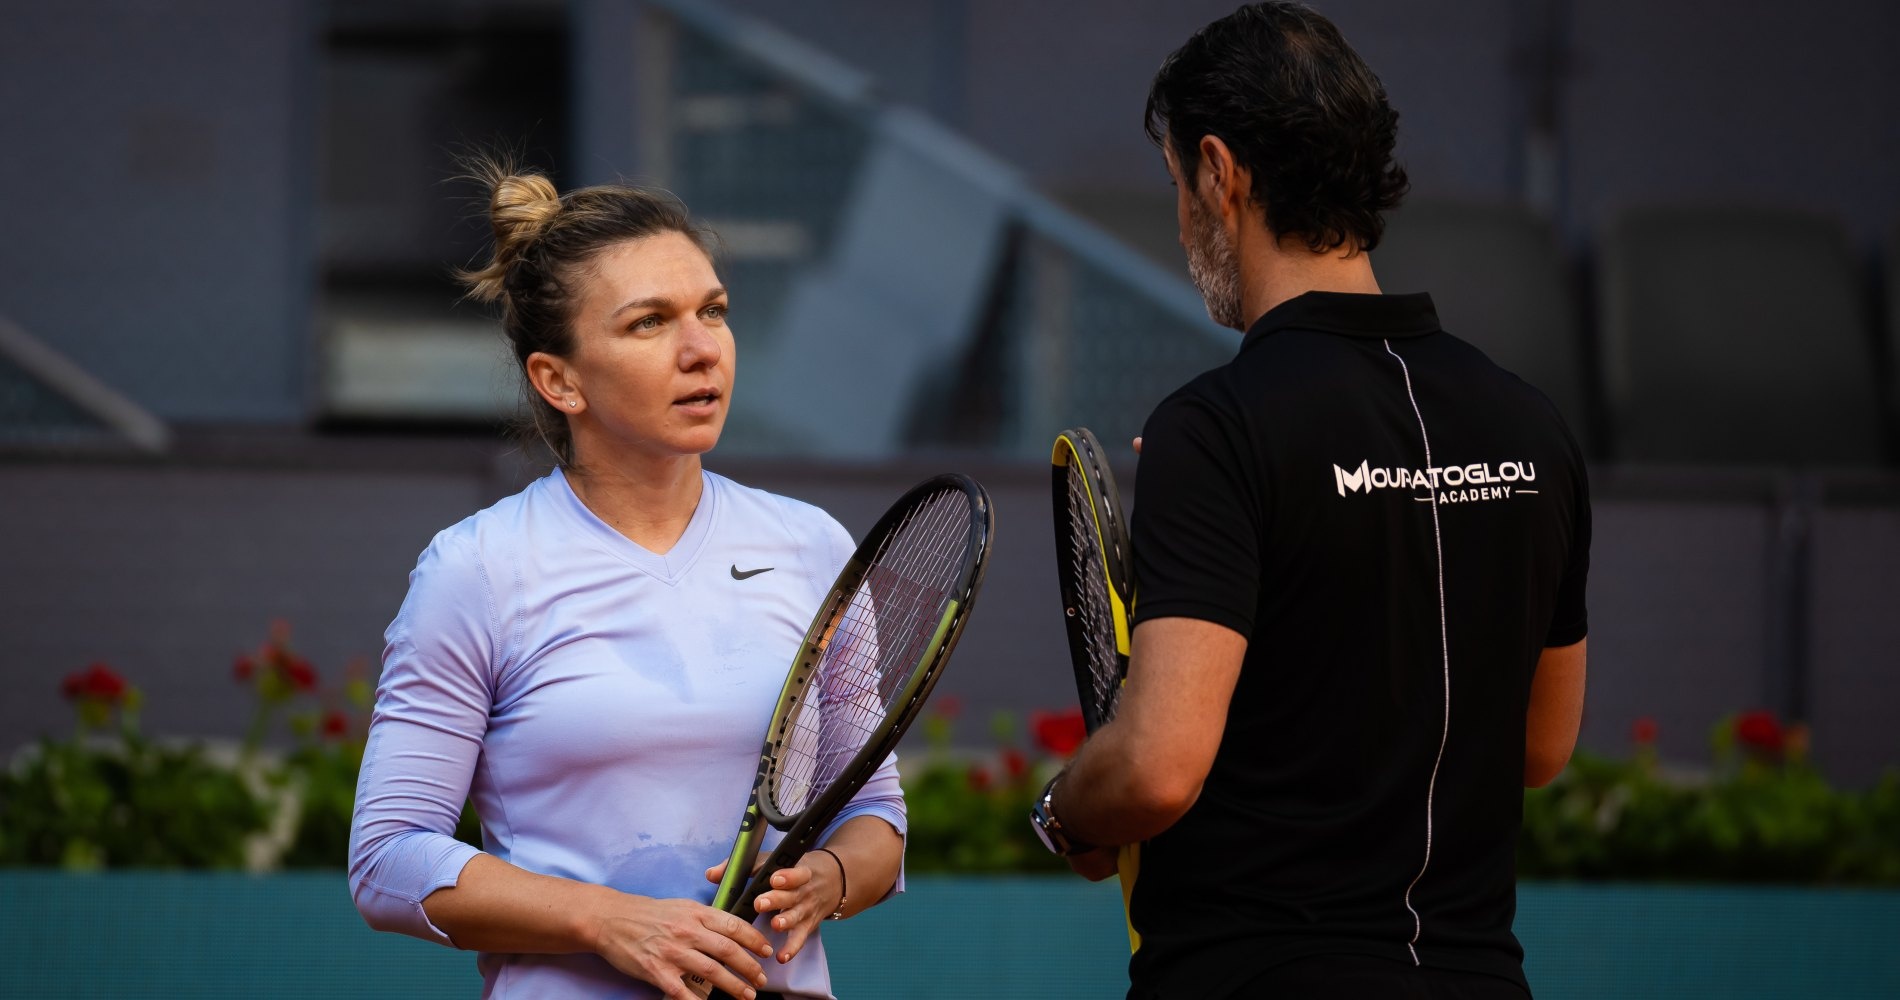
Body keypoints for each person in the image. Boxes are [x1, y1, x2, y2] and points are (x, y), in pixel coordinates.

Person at [1027, 4, 1589, 998]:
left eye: (1175, 187)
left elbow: (1155, 769)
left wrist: (1065, 811)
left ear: (1217, 170)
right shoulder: (1531, 426)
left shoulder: (1217, 428)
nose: (1182, 217)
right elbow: (1537, 748)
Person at [348, 161, 906, 1000]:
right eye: (649, 323)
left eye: (713, 312)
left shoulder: (812, 547)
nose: (700, 348)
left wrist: (827, 875)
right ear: (558, 379)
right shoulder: (476, 568)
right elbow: (389, 859)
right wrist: (609, 920)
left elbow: (877, 819)